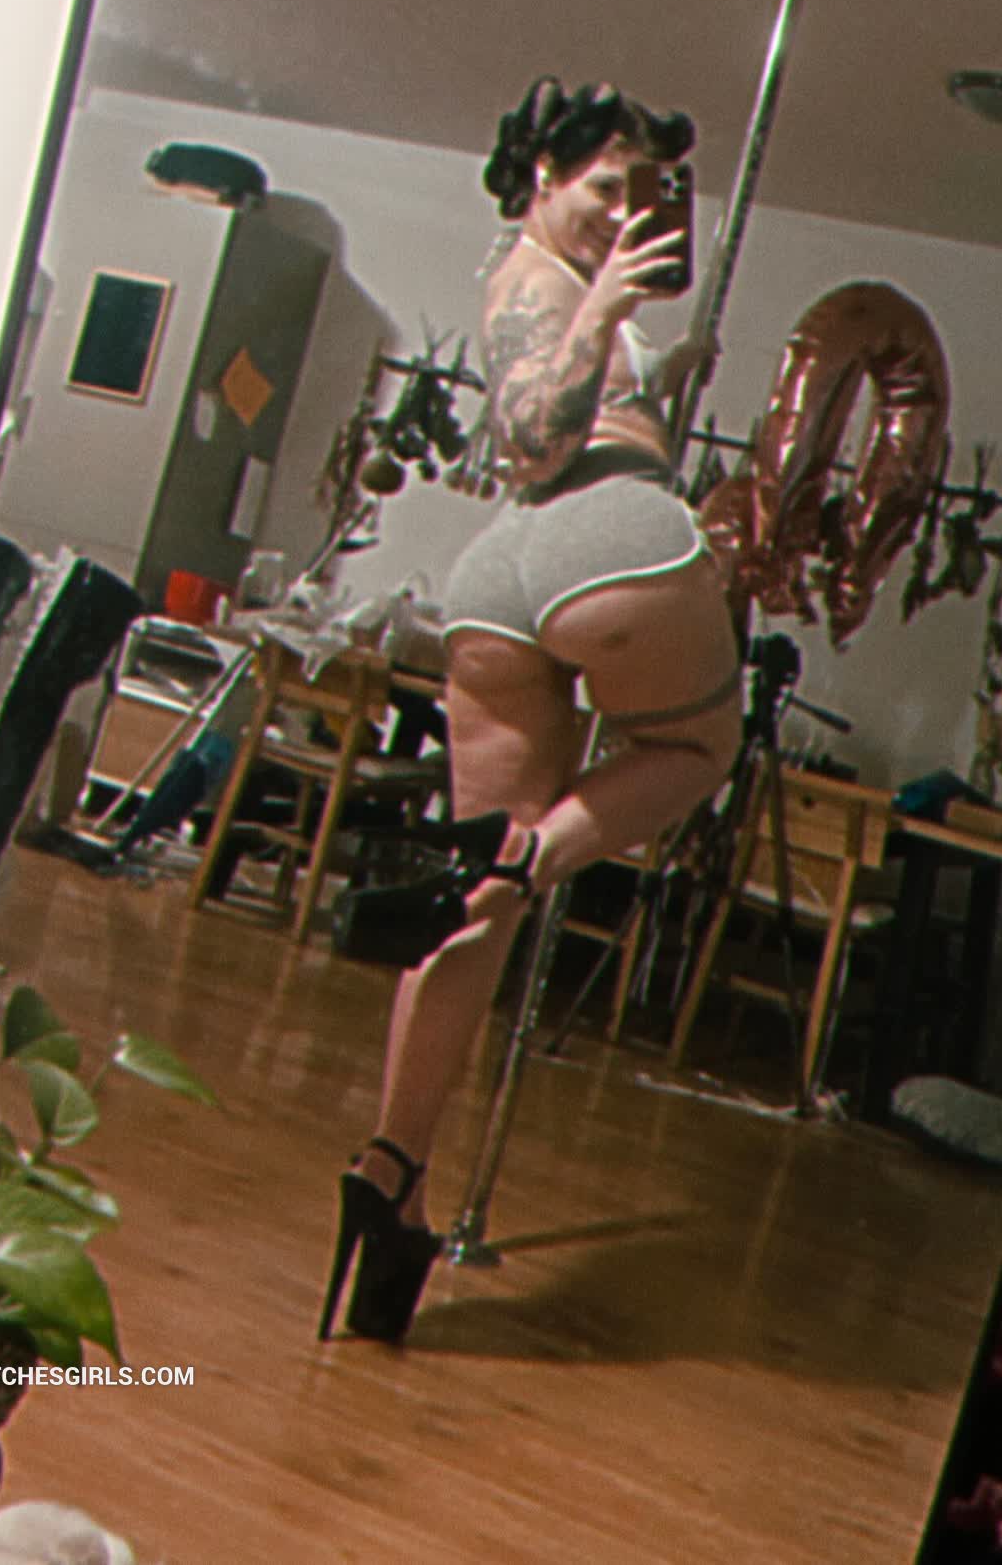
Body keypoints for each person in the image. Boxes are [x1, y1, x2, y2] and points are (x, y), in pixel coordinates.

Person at [319, 76, 744, 1345]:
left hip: (502, 581)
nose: (625, 209)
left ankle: (393, 1173)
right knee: (697, 743)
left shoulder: (551, 283)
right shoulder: (530, 280)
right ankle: (532, 853)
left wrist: (655, 356)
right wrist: (605, 306)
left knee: (472, 917)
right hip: (596, 533)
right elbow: (528, 437)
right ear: (541, 180)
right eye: (604, 186)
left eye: (644, 191)